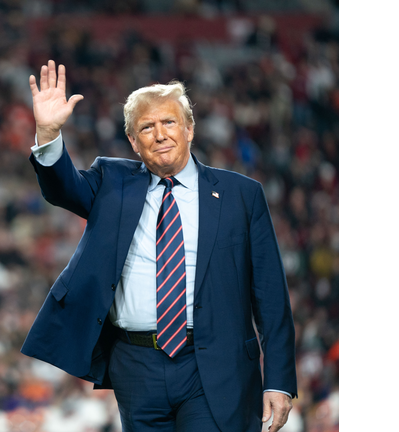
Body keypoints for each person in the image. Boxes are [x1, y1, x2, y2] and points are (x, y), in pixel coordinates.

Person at [20, 60, 297, 432]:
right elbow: (62, 188)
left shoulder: (242, 195)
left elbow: (270, 295)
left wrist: (278, 379)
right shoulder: (112, 181)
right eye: (146, 128)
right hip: (136, 365)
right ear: (134, 142)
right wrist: (49, 133)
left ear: (189, 129)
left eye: (169, 122)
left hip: (214, 364)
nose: (160, 134)